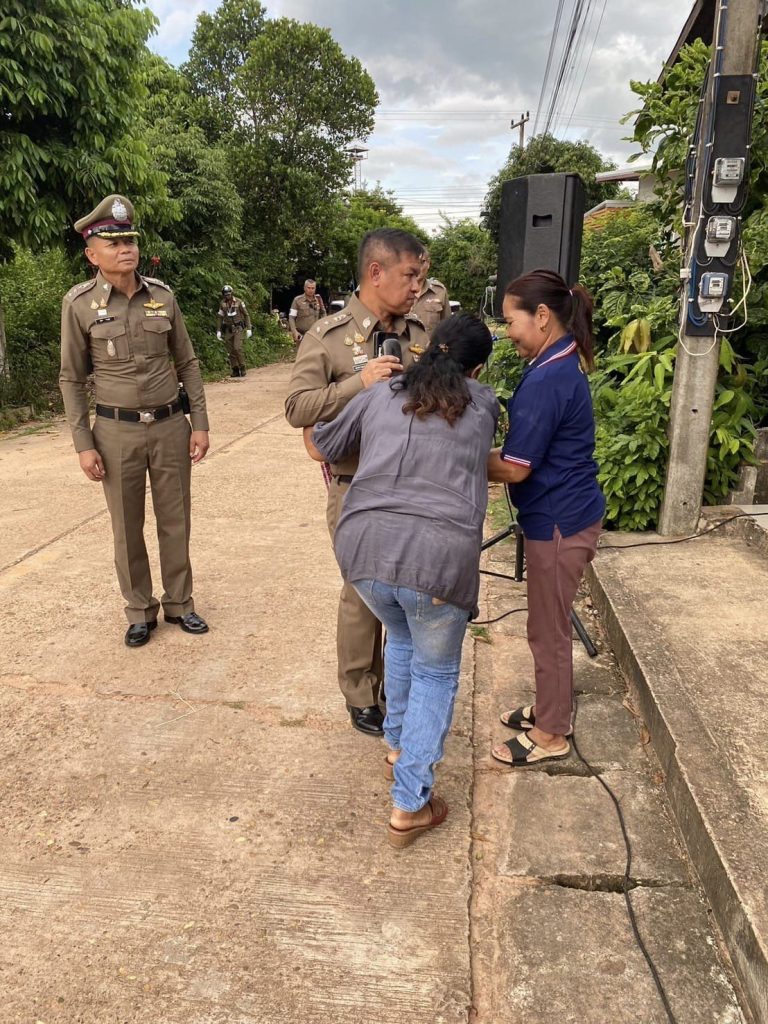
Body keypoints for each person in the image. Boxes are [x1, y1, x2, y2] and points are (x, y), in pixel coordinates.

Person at [304, 315, 498, 847]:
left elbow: (320, 445)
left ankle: (396, 744)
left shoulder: (380, 393)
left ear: (426, 349)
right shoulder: (483, 403)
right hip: (437, 562)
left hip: (363, 550)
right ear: (478, 369)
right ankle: (410, 804)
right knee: (436, 670)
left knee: (403, 637)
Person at [285, 228, 430, 736]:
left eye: (421, 277)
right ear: (376, 272)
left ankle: (399, 685)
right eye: (410, 275)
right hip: (356, 485)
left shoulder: (422, 333)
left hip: (413, 484)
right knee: (363, 592)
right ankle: (362, 693)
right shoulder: (327, 337)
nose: (417, 286)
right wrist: (357, 384)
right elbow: (297, 408)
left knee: (410, 590)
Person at [59, 194, 210, 647]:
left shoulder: (162, 296)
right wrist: (83, 443)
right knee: (126, 527)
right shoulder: (79, 305)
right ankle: (140, 610)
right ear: (92, 255)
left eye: (130, 241)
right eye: (113, 243)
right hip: (115, 431)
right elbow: (71, 378)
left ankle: (180, 603)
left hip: (169, 426)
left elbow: (187, 362)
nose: (125, 249)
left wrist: (200, 422)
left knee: (175, 519)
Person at [487, 269, 605, 766]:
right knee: (547, 624)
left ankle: (552, 732)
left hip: (558, 520)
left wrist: (453, 457)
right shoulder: (557, 361)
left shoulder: (548, 377)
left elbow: (515, 468)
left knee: (547, 629)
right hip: (567, 513)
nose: (506, 333)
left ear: (540, 316)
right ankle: (549, 707)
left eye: (509, 321)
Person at [410, 252, 451, 337]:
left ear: (428, 264)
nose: (417, 267)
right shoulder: (396, 291)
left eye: (422, 262)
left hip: (431, 345)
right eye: (413, 261)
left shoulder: (439, 291)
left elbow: (448, 328)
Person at [217, 285, 252, 377]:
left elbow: (246, 315)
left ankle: (242, 366)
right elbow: (220, 317)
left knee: (237, 348)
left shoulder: (239, 302)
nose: (227, 296)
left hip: (238, 328)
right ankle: (235, 369)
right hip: (228, 329)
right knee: (230, 350)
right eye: (226, 294)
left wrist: (249, 328)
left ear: (232, 293)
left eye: (229, 294)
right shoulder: (222, 304)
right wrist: (218, 330)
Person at [288, 279, 326, 348]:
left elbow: (323, 313)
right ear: (304, 288)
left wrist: (323, 326)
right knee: (302, 354)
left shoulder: (318, 299)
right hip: (302, 335)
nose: (311, 290)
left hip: (315, 335)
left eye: (313, 288)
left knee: (315, 353)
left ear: (315, 289)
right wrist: (294, 331)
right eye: (309, 288)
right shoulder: (297, 300)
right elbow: (291, 317)